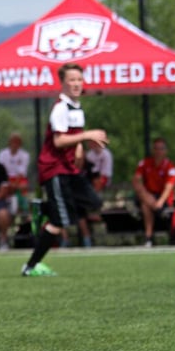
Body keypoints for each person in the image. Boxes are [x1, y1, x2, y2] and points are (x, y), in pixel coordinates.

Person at [21, 62, 108, 276]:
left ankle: (45, 209)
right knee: (60, 223)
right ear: (63, 83)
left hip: (70, 169)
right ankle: (30, 267)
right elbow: (59, 141)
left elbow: (72, 135)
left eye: (79, 79)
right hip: (55, 169)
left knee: (94, 202)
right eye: (72, 80)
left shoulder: (77, 108)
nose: (76, 84)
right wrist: (86, 137)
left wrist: (79, 146)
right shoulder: (60, 107)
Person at [132, 137, 175, 247]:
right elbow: (136, 180)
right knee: (144, 199)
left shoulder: (170, 167)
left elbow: (169, 187)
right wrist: (150, 199)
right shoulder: (145, 163)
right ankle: (157, 214)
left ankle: (148, 237)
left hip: (162, 199)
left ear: (166, 151)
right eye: (156, 148)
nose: (158, 151)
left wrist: (160, 202)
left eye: (161, 148)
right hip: (149, 197)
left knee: (145, 205)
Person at [74, 142, 113, 247]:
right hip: (81, 198)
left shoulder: (100, 158)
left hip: (95, 194)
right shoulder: (74, 166)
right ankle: (86, 240)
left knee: (83, 208)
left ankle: (90, 239)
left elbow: (101, 179)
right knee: (78, 209)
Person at [0, 131, 30, 214]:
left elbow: (22, 172)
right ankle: (3, 207)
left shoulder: (24, 155)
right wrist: (9, 183)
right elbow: (2, 171)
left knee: (24, 186)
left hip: (19, 180)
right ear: (9, 142)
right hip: (6, 179)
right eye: (13, 141)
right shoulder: (3, 154)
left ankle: (23, 207)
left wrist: (14, 185)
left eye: (17, 142)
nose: (15, 144)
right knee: (3, 187)